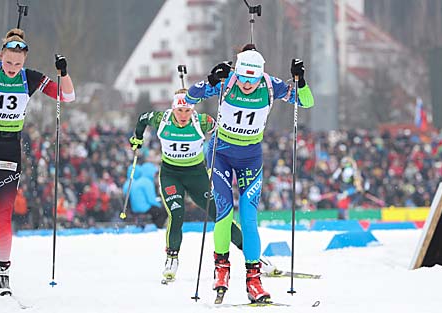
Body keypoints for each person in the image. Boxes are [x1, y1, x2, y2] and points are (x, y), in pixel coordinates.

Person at [185, 44, 314, 303]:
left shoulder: (270, 85)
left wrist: (301, 82)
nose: (246, 84)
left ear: (260, 75)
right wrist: (210, 80)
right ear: (237, 73)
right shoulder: (227, 80)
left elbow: (307, 102)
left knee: (249, 217)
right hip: (220, 154)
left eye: (252, 79)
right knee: (224, 213)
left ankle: (254, 280)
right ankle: (221, 269)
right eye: (243, 77)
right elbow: (190, 98)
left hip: (250, 158)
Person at [0, 28, 75, 296]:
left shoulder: (30, 79)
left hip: (8, 149)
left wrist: (63, 73)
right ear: (0, 57)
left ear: (25, 62)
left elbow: (67, 97)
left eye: (17, 64)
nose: (12, 68)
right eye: (8, 62)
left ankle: (1, 273)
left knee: (3, 215)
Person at [128, 88, 246, 283]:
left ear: (193, 110)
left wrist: (217, 160)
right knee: (177, 213)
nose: (183, 116)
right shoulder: (161, 119)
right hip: (171, 175)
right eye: (180, 110)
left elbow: (221, 133)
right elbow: (142, 118)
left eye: (188, 111)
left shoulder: (203, 122)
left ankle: (250, 253)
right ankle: (172, 258)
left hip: (196, 175)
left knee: (220, 214)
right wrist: (138, 138)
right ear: (173, 109)